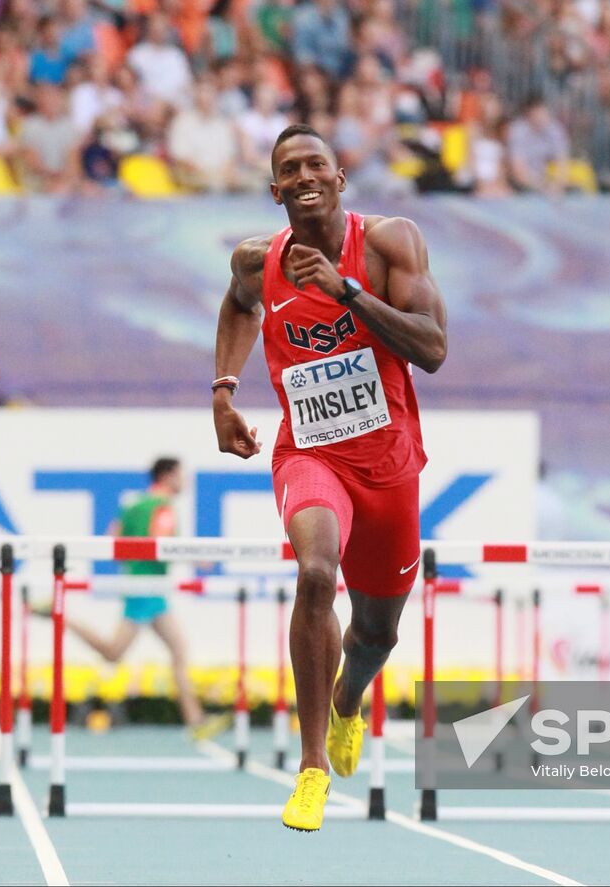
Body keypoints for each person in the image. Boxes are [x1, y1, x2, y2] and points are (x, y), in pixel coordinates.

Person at [212, 123, 447, 831]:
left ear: (340, 179)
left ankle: (350, 698)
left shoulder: (387, 244)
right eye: (291, 167)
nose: (305, 174)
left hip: (389, 464)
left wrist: (347, 292)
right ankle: (311, 767)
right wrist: (224, 390)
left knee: (376, 633)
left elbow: (433, 348)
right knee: (315, 572)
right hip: (309, 451)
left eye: (318, 162)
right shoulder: (258, 261)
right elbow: (238, 304)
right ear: (277, 188)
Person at [40, 458, 229, 741]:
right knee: (114, 652)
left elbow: (112, 536)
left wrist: (133, 564)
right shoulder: (163, 508)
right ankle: (61, 616)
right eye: (180, 475)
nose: (185, 480)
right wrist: (195, 559)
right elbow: (162, 544)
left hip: (144, 584)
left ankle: (195, 720)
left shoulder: (134, 505)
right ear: (166, 476)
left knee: (176, 648)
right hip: (148, 587)